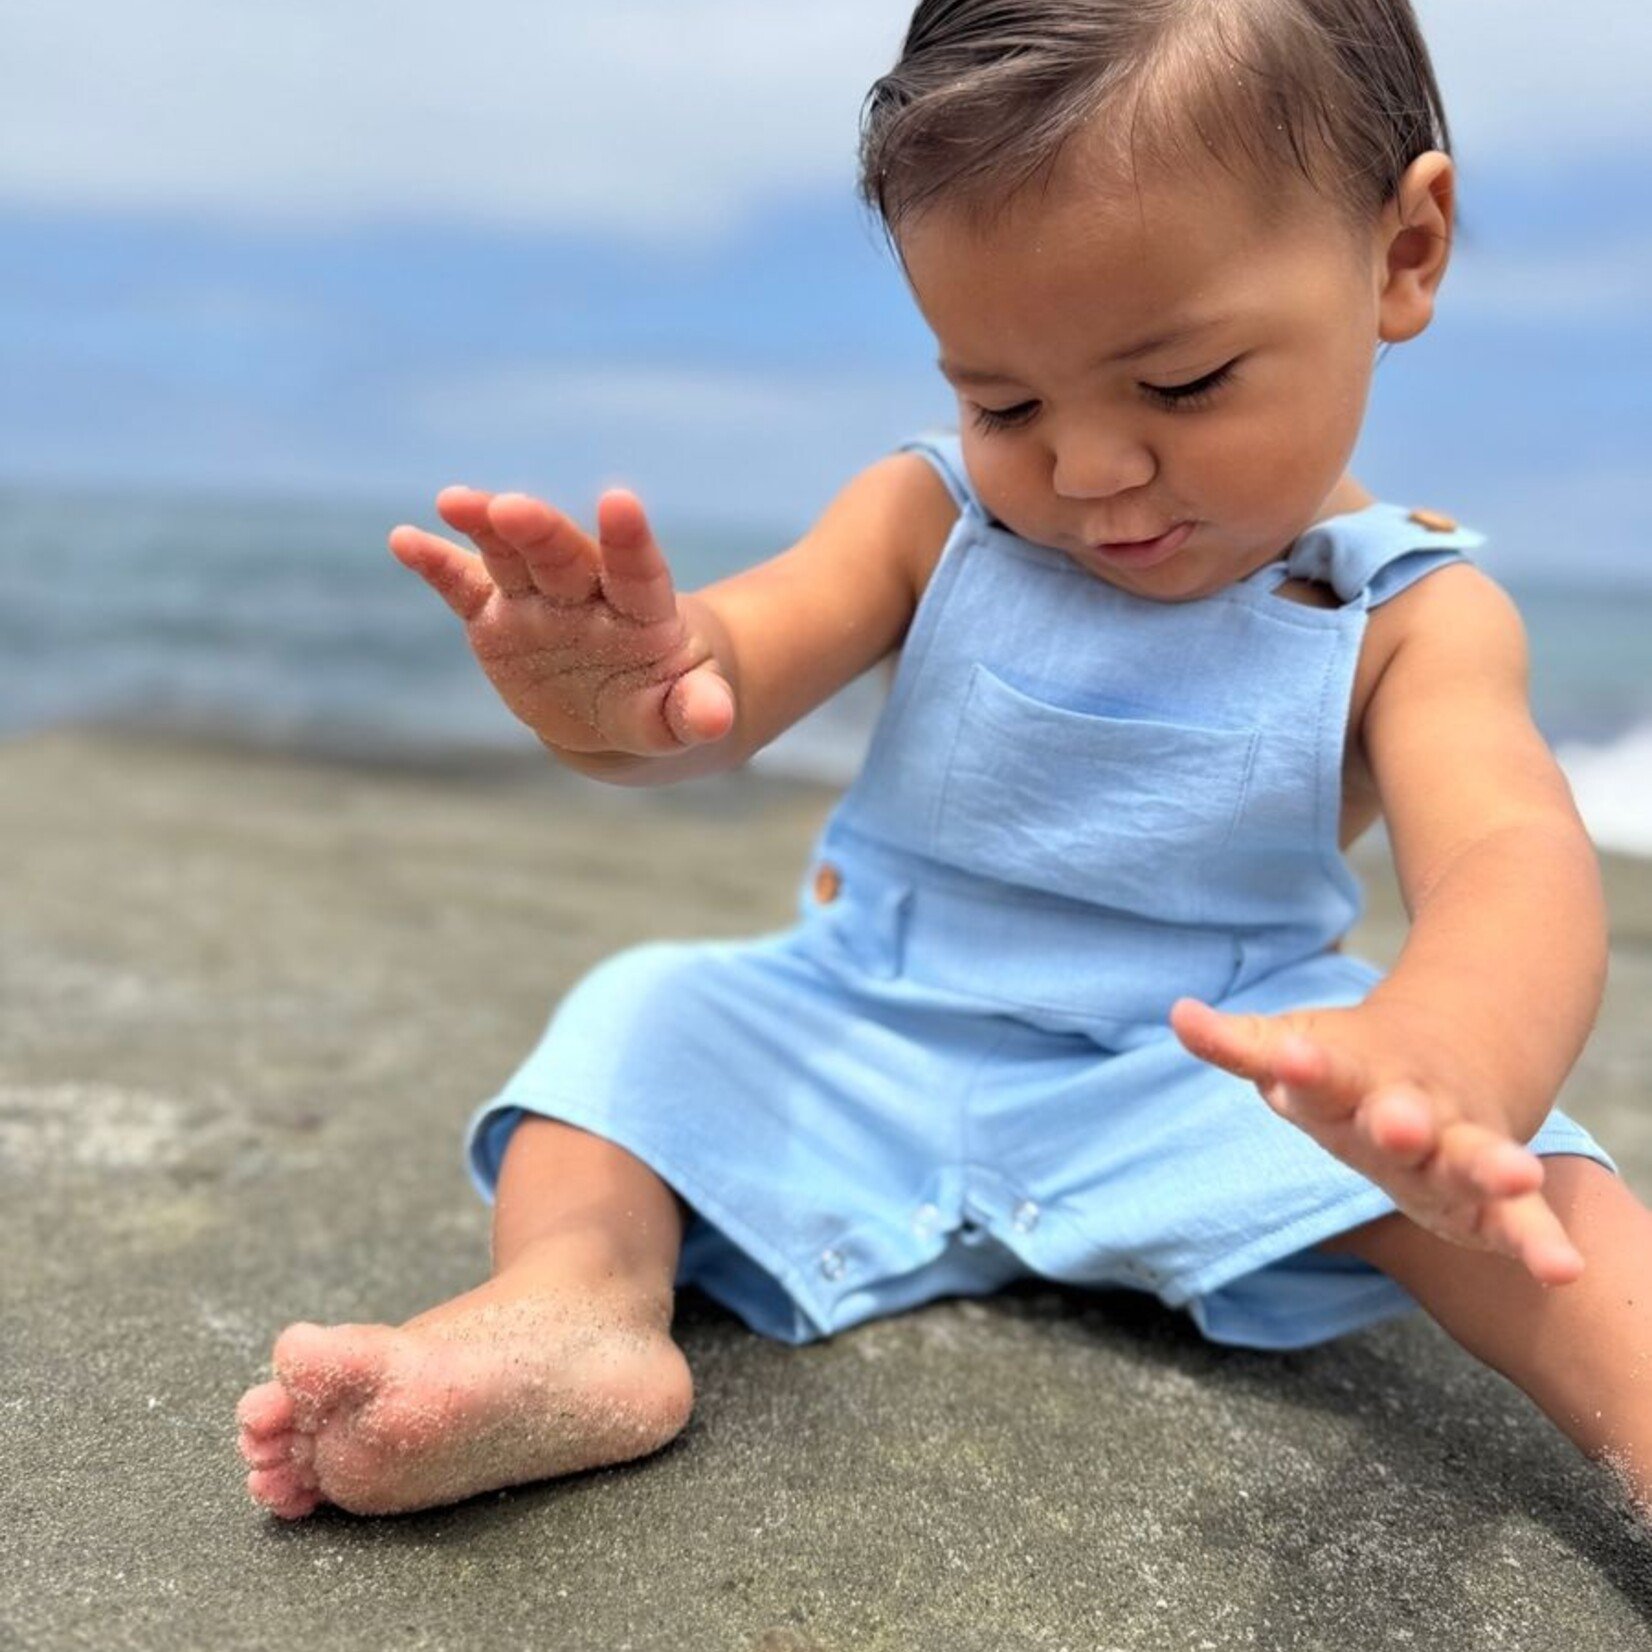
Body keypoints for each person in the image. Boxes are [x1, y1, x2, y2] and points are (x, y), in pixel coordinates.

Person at [237, 0, 1651, 1522]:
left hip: (1216, 1071)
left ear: (1403, 252)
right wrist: (619, 691)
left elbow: (1509, 853)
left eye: (1181, 385)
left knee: (1540, 1210)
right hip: (866, 1030)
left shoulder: (1405, 616)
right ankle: (575, 1307)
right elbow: (723, 677)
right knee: (642, 1016)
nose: (1090, 468)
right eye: (1005, 402)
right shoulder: (928, 522)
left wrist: (1450, 1061)